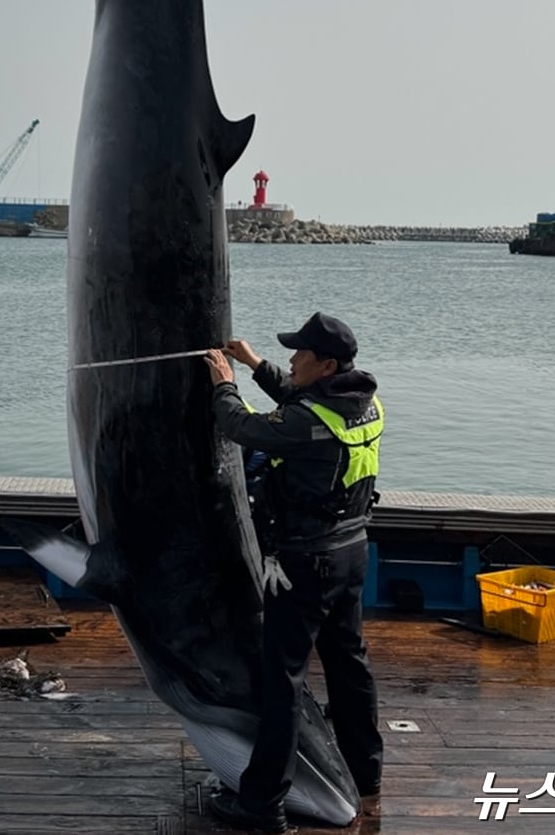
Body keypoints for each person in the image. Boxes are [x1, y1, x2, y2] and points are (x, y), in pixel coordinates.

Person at [203, 312, 384, 834]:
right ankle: (367, 781)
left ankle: (262, 805)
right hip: (352, 553)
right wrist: (255, 363)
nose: (291, 359)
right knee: (351, 668)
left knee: (282, 682)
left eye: (299, 354)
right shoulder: (366, 404)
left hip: (305, 565)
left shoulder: (309, 421)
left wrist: (225, 385)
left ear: (325, 365)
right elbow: (300, 403)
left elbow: (243, 428)